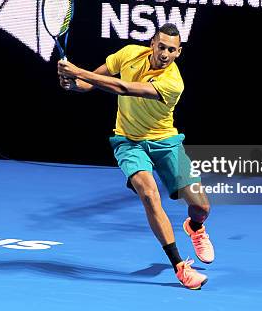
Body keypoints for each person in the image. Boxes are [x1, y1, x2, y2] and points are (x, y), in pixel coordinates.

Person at [57, 23, 214, 289]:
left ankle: (195, 228)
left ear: (179, 52)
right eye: (161, 46)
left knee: (202, 207)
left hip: (165, 141)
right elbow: (90, 83)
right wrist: (73, 83)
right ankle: (180, 267)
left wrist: (78, 71)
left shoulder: (173, 82)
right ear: (152, 43)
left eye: (171, 50)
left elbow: (123, 88)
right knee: (150, 195)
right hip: (129, 142)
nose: (165, 53)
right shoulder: (129, 53)